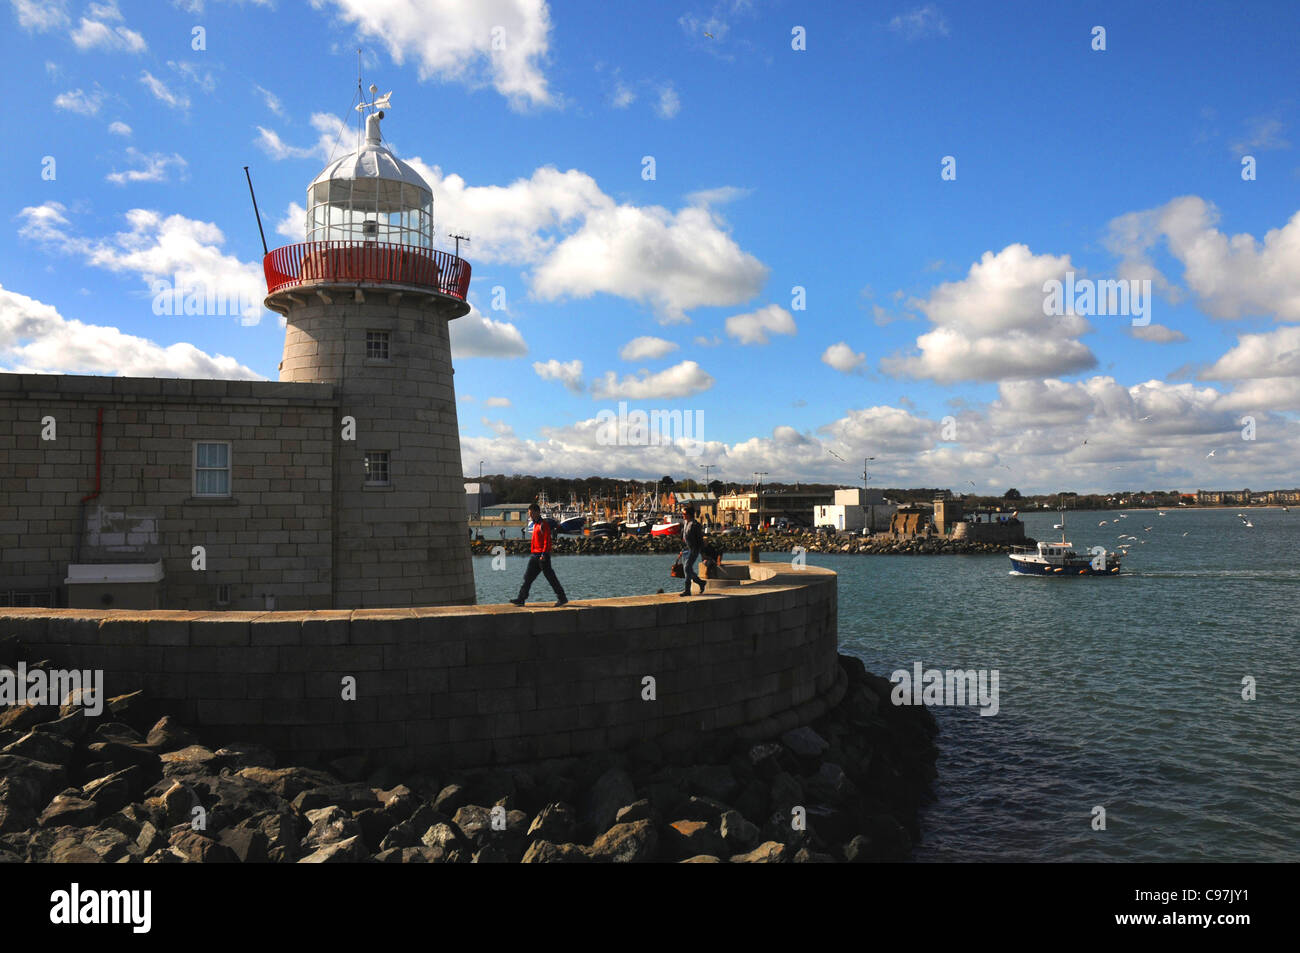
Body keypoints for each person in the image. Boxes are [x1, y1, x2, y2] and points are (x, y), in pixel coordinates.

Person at [510, 503, 568, 607]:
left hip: (542, 556)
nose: (530, 515)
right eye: (529, 514)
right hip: (534, 556)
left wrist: (544, 554)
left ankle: (562, 598)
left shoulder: (543, 524)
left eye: (531, 513)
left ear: (537, 512)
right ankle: (521, 599)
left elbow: (547, 540)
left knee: (551, 578)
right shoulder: (535, 524)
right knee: (527, 578)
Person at [679, 505, 705, 597]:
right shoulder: (685, 523)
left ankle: (687, 590)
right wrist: (681, 550)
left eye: (684, 514)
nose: (683, 515)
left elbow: (700, 540)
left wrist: (703, 554)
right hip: (685, 549)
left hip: (693, 550)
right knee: (687, 570)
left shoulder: (695, 525)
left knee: (687, 568)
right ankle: (700, 582)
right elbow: (684, 537)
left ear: (689, 514)